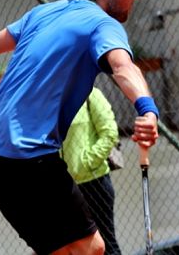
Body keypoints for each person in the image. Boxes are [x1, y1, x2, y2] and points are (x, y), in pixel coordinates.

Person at [0, 0, 159, 255]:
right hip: (28, 151)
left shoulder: (43, 13)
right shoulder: (103, 25)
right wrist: (147, 110)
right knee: (92, 249)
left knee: (61, 250)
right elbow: (124, 67)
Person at [62, 86, 122, 255]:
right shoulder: (52, 99)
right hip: (64, 187)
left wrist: (86, 163)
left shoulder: (91, 95)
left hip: (95, 183)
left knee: (107, 245)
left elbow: (110, 133)